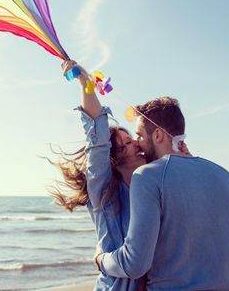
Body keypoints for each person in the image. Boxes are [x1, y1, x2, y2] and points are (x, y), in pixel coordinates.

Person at [94, 97, 229, 290]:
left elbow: (135, 264)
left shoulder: (147, 176)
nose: (137, 144)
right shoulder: (226, 177)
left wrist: (101, 260)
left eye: (139, 135)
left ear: (158, 135)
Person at [49, 60, 146, 290]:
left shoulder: (152, 185)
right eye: (127, 143)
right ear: (114, 158)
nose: (136, 144)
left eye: (132, 139)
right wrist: (85, 82)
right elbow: (98, 139)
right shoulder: (104, 190)